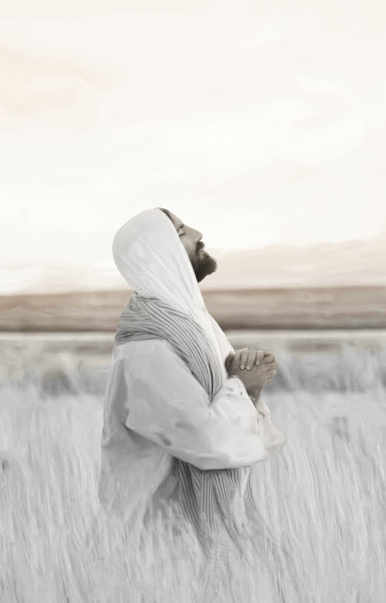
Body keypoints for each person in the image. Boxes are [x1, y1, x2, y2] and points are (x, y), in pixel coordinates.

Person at [99, 207, 286, 564]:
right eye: (181, 231)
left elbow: (222, 397)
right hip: (158, 545)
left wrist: (246, 381)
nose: (198, 233)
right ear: (160, 251)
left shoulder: (193, 324)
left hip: (188, 541)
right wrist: (241, 386)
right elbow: (203, 438)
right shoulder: (147, 348)